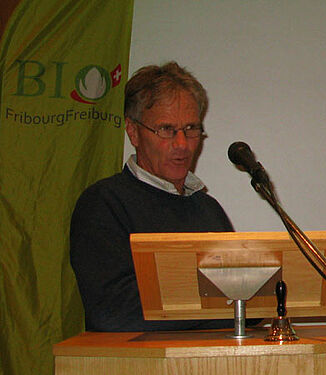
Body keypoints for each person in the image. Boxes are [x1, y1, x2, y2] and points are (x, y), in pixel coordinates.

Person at [70, 62, 237, 332]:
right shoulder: (104, 203)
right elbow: (115, 312)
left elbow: (244, 303)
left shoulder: (209, 210)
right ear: (133, 132)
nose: (182, 144)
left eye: (191, 128)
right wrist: (221, 297)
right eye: (167, 129)